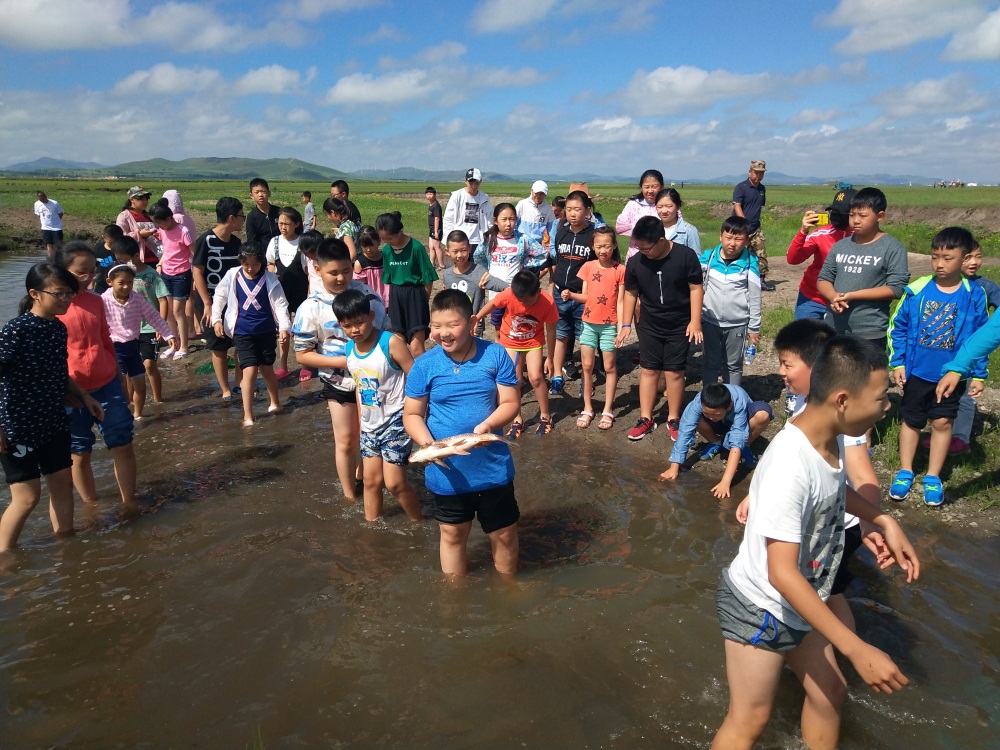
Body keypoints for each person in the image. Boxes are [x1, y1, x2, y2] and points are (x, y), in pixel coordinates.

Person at [711, 335, 920, 750]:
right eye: (880, 398)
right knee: (750, 719)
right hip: (762, 608)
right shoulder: (792, 463)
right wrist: (856, 648)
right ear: (842, 399)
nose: (886, 407)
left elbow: (836, 489)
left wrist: (881, 519)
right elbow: (782, 574)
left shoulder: (826, 435)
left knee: (831, 692)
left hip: (798, 600)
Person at [737, 318, 887, 646]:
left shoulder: (842, 418)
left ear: (820, 369)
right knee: (824, 592)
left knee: (829, 595)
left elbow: (863, 475)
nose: (780, 371)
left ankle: (847, 651)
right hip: (818, 518)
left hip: (835, 526)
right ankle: (836, 653)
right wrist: (756, 494)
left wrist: (871, 522)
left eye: (787, 363)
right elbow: (793, 465)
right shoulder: (810, 409)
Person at [403, 289, 521, 577]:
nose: (443, 333)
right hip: (447, 471)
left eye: (452, 325)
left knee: (503, 534)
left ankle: (509, 588)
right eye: (437, 326)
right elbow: (412, 414)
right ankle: (454, 597)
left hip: (492, 467)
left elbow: (510, 402)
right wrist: (430, 446)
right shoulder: (424, 365)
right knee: (453, 535)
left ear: (471, 323)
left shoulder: (495, 354)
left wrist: (486, 428)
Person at [0, 263, 104, 551]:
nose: (67, 300)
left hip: (53, 422)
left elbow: (58, 373)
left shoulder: (57, 328)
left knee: (62, 486)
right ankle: (5, 558)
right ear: (34, 293)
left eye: (70, 294)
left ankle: (67, 548)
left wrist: (84, 396)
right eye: (59, 294)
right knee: (27, 497)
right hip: (17, 426)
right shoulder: (15, 331)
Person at [887, 227, 988, 507]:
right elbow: (898, 326)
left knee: (943, 422)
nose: (940, 264)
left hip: (952, 376)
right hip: (916, 370)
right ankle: (905, 470)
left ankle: (933, 476)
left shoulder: (973, 294)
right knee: (912, 420)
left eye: (947, 258)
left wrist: (979, 373)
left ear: (965, 259)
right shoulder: (918, 289)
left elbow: (981, 337)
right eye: (935, 257)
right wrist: (897, 362)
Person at [292, 238, 387, 504]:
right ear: (318, 270)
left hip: (372, 381)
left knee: (369, 436)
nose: (340, 278)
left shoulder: (368, 297)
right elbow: (302, 354)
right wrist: (345, 362)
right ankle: (348, 496)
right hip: (338, 383)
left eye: (345, 271)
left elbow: (386, 334)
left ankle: (365, 479)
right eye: (333, 272)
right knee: (346, 440)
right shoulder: (311, 307)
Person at [54, 243, 138, 507]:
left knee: (122, 443)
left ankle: (129, 503)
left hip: (106, 383)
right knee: (80, 453)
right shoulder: (52, 307)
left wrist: (121, 383)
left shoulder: (95, 301)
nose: (89, 277)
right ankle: (92, 508)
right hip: (71, 391)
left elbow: (106, 341)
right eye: (81, 272)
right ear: (62, 271)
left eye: (92, 271)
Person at [333, 289, 422, 524]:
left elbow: (415, 377)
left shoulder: (390, 342)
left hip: (396, 420)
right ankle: (371, 531)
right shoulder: (349, 350)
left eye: (360, 323)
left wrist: (418, 416)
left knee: (394, 483)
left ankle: (418, 522)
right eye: (347, 325)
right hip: (370, 425)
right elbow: (361, 390)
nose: (355, 330)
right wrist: (362, 424)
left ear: (372, 316)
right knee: (371, 481)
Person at [616, 216, 703, 441]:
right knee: (649, 370)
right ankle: (646, 418)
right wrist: (625, 324)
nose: (642, 252)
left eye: (646, 248)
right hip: (650, 324)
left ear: (661, 240)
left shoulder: (685, 256)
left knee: (675, 372)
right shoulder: (636, 263)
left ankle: (673, 418)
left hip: (679, 324)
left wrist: (695, 321)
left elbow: (695, 288)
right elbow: (630, 294)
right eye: (638, 247)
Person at [815, 187, 909, 350]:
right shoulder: (841, 246)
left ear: (880, 216)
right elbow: (823, 279)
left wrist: (853, 296)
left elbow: (897, 288)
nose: (855, 220)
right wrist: (833, 296)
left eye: (862, 215)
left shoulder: (892, 248)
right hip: (833, 328)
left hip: (869, 333)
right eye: (852, 215)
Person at [211, 242, 291, 427]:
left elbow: (280, 304)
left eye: (255, 264)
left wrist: (285, 327)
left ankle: (274, 402)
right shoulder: (233, 275)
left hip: (266, 331)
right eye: (246, 264)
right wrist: (216, 319)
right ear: (240, 261)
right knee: (249, 370)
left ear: (261, 262)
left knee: (267, 368)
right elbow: (220, 296)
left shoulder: (270, 279)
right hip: (242, 332)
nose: (250, 268)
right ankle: (248, 414)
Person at [474, 270, 558, 437]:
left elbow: (551, 330)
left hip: (533, 341)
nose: (523, 302)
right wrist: (477, 317)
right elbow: (493, 304)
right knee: (514, 380)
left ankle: (545, 416)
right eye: (520, 299)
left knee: (536, 377)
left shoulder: (547, 302)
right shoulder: (510, 293)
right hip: (510, 341)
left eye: (527, 300)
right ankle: (517, 419)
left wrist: (550, 357)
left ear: (538, 291)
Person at [658, 383, 773, 497]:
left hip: (742, 424)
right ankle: (715, 442)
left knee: (763, 413)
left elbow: (737, 441)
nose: (711, 417)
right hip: (718, 425)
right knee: (691, 417)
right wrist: (674, 468)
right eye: (706, 412)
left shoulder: (738, 402)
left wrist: (725, 482)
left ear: (729, 406)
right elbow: (685, 431)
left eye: (715, 414)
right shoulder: (699, 402)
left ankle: (746, 447)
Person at [561, 226, 624, 431]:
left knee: (609, 367)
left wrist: (624, 327)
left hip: (609, 326)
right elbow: (587, 297)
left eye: (607, 246)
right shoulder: (588, 267)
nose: (603, 250)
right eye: (599, 246)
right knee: (586, 367)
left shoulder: (620, 270)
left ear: (614, 245)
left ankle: (607, 409)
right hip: (588, 323)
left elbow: (622, 301)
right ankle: (587, 407)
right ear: (593, 247)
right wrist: (570, 295)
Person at [942, 240, 1000, 454]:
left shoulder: (986, 287)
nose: (974, 262)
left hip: (973, 354)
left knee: (965, 398)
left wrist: (979, 373)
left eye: (978, 256)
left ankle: (960, 438)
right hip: (942, 352)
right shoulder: (940, 285)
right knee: (942, 395)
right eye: (968, 257)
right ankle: (942, 434)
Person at [101, 264, 176, 420]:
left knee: (140, 384)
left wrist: (169, 335)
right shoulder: (103, 300)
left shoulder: (137, 299)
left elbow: (153, 317)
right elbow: (95, 322)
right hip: (114, 348)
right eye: (121, 283)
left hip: (133, 346)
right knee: (121, 385)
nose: (126, 286)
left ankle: (138, 415)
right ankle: (122, 413)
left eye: (130, 282)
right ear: (110, 282)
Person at [192, 197, 246, 399]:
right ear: (231, 218)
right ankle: (225, 389)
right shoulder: (205, 240)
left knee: (241, 342)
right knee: (219, 346)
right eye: (242, 216)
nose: (243, 221)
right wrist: (207, 303)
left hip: (234, 301)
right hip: (210, 300)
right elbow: (197, 272)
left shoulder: (236, 243)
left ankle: (240, 383)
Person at [699, 217, 761, 388]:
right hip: (710, 321)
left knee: (733, 365)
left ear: (747, 240)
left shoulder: (750, 262)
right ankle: (708, 399)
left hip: (738, 324)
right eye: (729, 237)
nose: (732, 243)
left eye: (738, 239)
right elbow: (689, 276)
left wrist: (754, 327)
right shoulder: (709, 257)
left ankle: (733, 399)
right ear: (721, 236)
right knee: (710, 363)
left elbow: (755, 297)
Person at [111, 237, 170, 406]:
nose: (121, 263)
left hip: (150, 327)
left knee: (150, 364)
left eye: (124, 260)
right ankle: (130, 400)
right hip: (129, 329)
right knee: (130, 368)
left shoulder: (151, 275)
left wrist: (162, 324)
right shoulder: (119, 278)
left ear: (136, 255)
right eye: (118, 260)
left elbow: (163, 300)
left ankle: (158, 400)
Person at [548, 190, 597, 394]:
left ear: (587, 211)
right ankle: (557, 376)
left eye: (577, 209)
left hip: (582, 296)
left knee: (585, 339)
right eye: (569, 209)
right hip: (561, 294)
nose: (572, 213)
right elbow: (557, 262)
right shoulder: (561, 233)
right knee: (560, 336)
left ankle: (586, 380)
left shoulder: (593, 236)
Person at [473, 203, 547, 329]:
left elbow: (542, 254)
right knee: (498, 329)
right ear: (495, 220)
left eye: (512, 219)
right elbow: (478, 257)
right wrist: (487, 272)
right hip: (495, 294)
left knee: (516, 328)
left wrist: (524, 263)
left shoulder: (522, 239)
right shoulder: (489, 239)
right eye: (504, 219)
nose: (508, 224)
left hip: (516, 292)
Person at [786, 189, 856, 321]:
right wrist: (803, 231)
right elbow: (793, 259)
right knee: (804, 341)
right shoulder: (821, 234)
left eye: (841, 213)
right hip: (812, 299)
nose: (836, 216)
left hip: (845, 302)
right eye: (833, 212)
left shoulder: (863, 238)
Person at [376, 212, 437, 355]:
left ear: (400, 232)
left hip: (415, 295)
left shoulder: (416, 248)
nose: (387, 242)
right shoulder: (386, 250)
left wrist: (423, 301)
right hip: (396, 296)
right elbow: (388, 280)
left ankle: (421, 376)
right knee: (398, 344)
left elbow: (427, 279)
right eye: (383, 239)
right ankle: (403, 376)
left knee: (416, 348)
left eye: (390, 238)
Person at [265, 206, 308, 379]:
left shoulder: (303, 243)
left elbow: (309, 270)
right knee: (283, 330)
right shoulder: (274, 242)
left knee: (302, 330)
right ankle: (283, 366)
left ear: (297, 224)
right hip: (280, 294)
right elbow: (270, 265)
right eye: (280, 223)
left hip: (301, 292)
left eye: (287, 224)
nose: (283, 227)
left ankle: (305, 365)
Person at [149, 200, 193, 360]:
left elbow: (193, 253)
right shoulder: (162, 230)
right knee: (167, 311)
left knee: (178, 311)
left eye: (159, 222)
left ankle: (184, 346)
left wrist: (195, 274)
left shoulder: (183, 231)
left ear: (168, 219)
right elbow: (166, 250)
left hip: (181, 274)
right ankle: (173, 344)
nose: (158, 225)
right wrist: (160, 264)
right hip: (166, 273)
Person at [731, 159, 771, 291]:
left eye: (761, 173)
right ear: (750, 172)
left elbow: (758, 207)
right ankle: (734, 278)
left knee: (761, 253)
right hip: (741, 227)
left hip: (756, 228)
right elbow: (737, 206)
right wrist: (744, 223)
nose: (759, 176)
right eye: (756, 173)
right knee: (737, 253)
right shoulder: (741, 187)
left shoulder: (762, 189)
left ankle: (761, 280)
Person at [442, 230, 488, 332]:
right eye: (455, 251)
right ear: (447, 251)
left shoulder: (479, 272)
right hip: (453, 327)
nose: (459, 255)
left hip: (473, 328)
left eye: (463, 250)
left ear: (470, 248)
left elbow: (497, 289)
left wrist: (479, 316)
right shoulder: (447, 274)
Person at [615, 169, 663, 261]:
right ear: (641, 187)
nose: (650, 190)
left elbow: (674, 227)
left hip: (660, 256)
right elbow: (620, 226)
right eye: (646, 187)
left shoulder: (667, 205)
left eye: (654, 186)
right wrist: (644, 230)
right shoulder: (633, 204)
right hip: (635, 255)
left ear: (662, 187)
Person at [442, 168, 493, 253]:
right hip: (459, 239)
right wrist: (448, 241)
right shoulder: (457, 196)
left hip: (478, 241)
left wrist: (491, 239)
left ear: (480, 182)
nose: (473, 186)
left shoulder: (484, 198)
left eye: (476, 183)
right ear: (465, 181)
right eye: (471, 182)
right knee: (461, 264)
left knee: (477, 266)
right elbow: (448, 219)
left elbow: (490, 220)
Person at [116, 186, 160, 264]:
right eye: (141, 199)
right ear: (132, 199)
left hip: (156, 257)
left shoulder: (148, 215)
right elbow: (121, 238)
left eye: (146, 198)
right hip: (138, 260)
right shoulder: (124, 216)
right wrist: (139, 234)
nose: (145, 201)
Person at [353, 225, 390, 311]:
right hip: (372, 302)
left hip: (389, 299)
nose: (368, 249)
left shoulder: (386, 258)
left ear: (378, 241)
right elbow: (361, 287)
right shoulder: (359, 263)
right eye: (365, 246)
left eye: (371, 245)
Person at [655, 187, 701, 254]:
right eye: (660, 207)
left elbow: (696, 258)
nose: (664, 211)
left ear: (678, 206)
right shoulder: (652, 230)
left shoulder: (689, 231)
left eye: (669, 206)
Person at [515, 180, 556, 246]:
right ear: (531, 191)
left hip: (537, 244)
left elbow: (552, 230)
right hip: (521, 243)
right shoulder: (522, 204)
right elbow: (514, 223)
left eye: (541, 194)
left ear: (545, 194)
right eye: (536, 193)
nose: (538, 196)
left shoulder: (548, 209)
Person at [245, 178, 280, 248]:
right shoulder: (251, 217)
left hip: (282, 252)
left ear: (269, 193)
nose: (260, 195)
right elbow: (252, 240)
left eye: (263, 191)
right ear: (251, 195)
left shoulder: (279, 212)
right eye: (257, 192)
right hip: (263, 255)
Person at [92, 224, 124, 295]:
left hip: (116, 285)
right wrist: (92, 282)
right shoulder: (98, 248)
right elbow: (94, 267)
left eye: (115, 243)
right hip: (100, 284)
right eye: (110, 243)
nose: (113, 246)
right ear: (104, 237)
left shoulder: (122, 252)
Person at [33, 191, 65, 259]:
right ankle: (51, 259)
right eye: (40, 199)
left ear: (46, 196)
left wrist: (56, 221)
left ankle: (59, 259)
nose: (42, 200)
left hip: (56, 228)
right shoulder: (37, 204)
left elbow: (61, 213)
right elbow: (38, 214)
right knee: (48, 244)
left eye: (43, 198)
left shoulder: (54, 203)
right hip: (45, 228)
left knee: (58, 245)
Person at [425, 187, 445, 270]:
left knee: (437, 247)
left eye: (431, 194)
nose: (429, 196)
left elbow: (437, 218)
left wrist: (436, 231)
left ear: (435, 195)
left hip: (436, 229)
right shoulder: (431, 204)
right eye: (428, 194)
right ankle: (431, 264)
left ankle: (441, 265)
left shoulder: (436, 206)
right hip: (432, 229)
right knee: (431, 247)